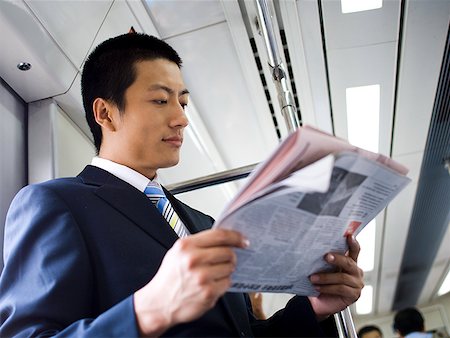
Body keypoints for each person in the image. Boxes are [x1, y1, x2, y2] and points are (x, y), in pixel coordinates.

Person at [0, 32, 364, 337]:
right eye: (160, 100)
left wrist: (314, 308)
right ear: (105, 113)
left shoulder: (204, 224)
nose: (181, 118)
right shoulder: (54, 203)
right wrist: (145, 311)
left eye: (183, 102)